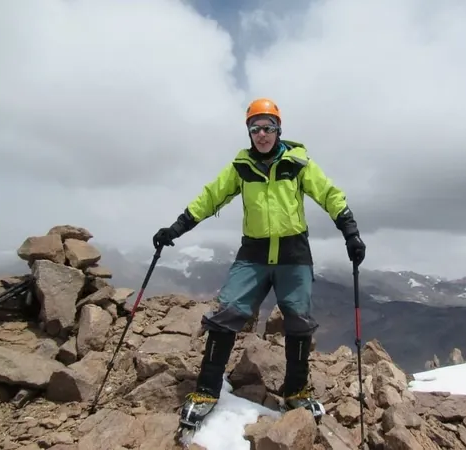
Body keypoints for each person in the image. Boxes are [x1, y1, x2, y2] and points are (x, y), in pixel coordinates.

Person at [153, 98, 366, 427]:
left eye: (268, 127)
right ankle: (207, 390)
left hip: (293, 254)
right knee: (227, 312)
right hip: (253, 253)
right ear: (249, 133)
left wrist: (350, 231)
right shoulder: (241, 167)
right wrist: (176, 228)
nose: (262, 134)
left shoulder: (297, 163)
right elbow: (211, 197)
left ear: (278, 129)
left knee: (298, 318)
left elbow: (328, 193)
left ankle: (296, 390)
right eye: (255, 128)